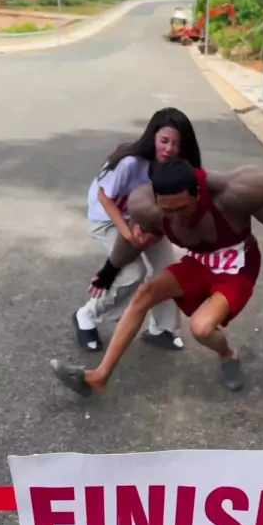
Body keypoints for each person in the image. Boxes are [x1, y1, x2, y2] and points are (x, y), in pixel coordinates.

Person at [50, 159, 263, 397]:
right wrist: (108, 273)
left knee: (201, 328)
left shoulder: (232, 194)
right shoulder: (149, 209)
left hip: (237, 267)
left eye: (183, 208)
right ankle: (99, 377)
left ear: (197, 194)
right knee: (145, 294)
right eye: (168, 210)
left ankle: (227, 354)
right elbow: (129, 244)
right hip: (198, 263)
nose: (176, 216)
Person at [74, 107, 202, 354]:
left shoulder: (177, 169)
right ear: (153, 137)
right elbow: (104, 197)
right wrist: (128, 236)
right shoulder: (130, 163)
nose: (168, 149)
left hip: (144, 220)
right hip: (109, 219)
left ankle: (162, 329)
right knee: (134, 272)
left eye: (176, 143)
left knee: (169, 269)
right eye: (164, 140)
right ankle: (86, 315)